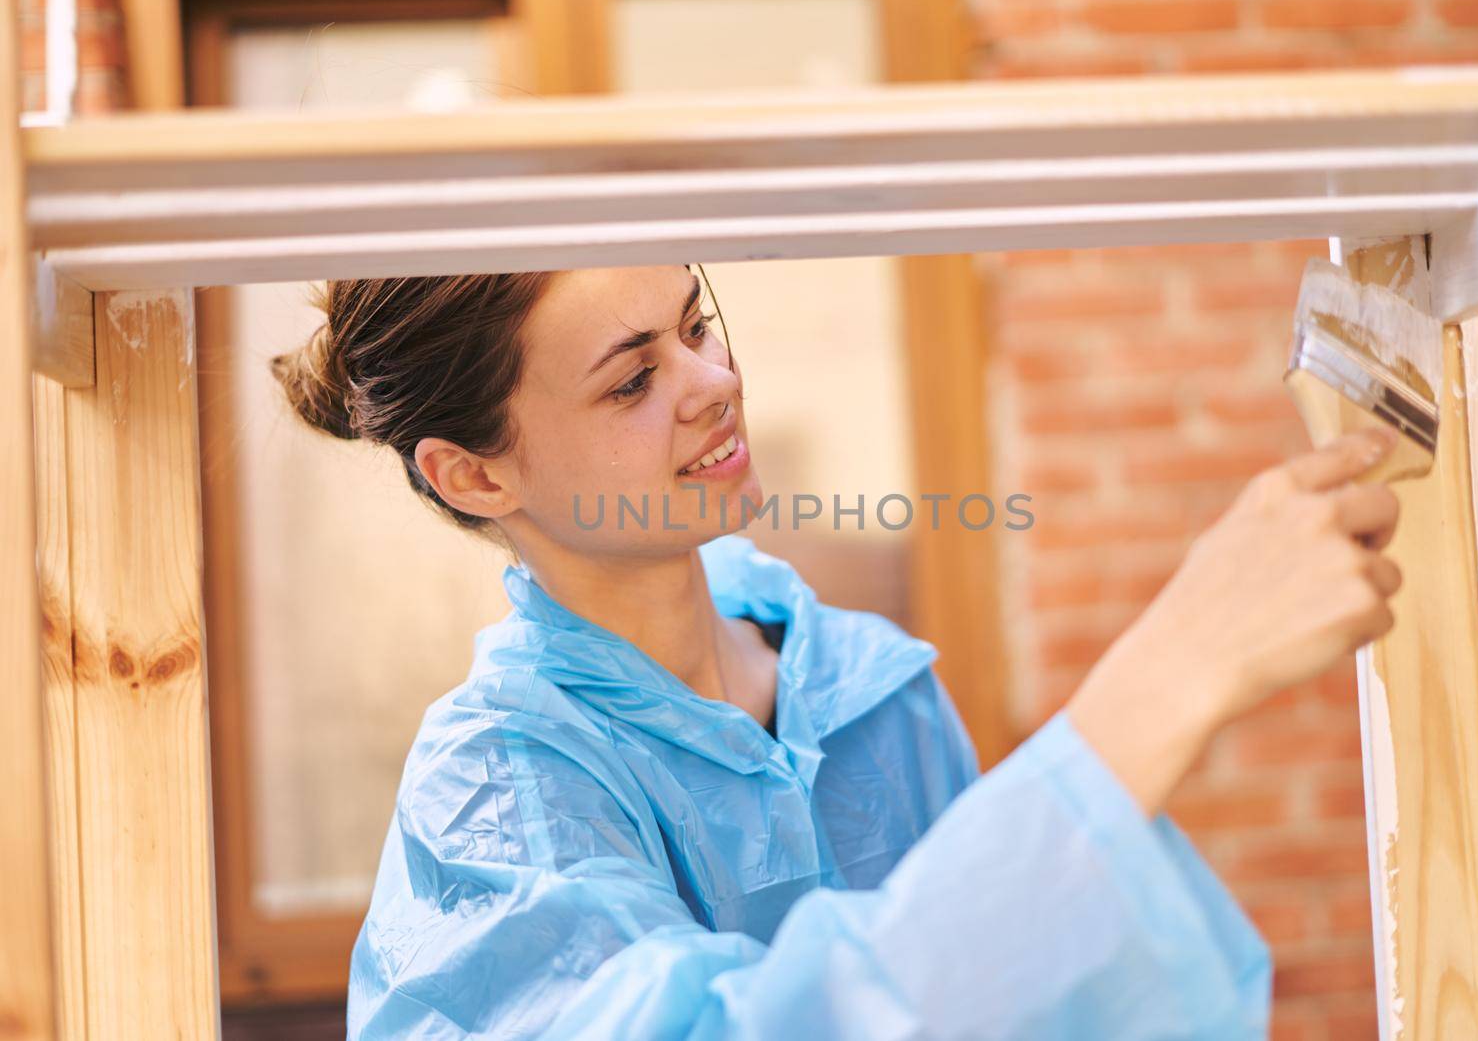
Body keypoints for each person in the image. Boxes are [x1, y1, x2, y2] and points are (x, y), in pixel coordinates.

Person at [271, 264, 1402, 1039]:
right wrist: (1171, 673)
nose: (714, 384)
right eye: (632, 377)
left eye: (696, 325)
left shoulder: (862, 686)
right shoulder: (498, 795)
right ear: (474, 474)